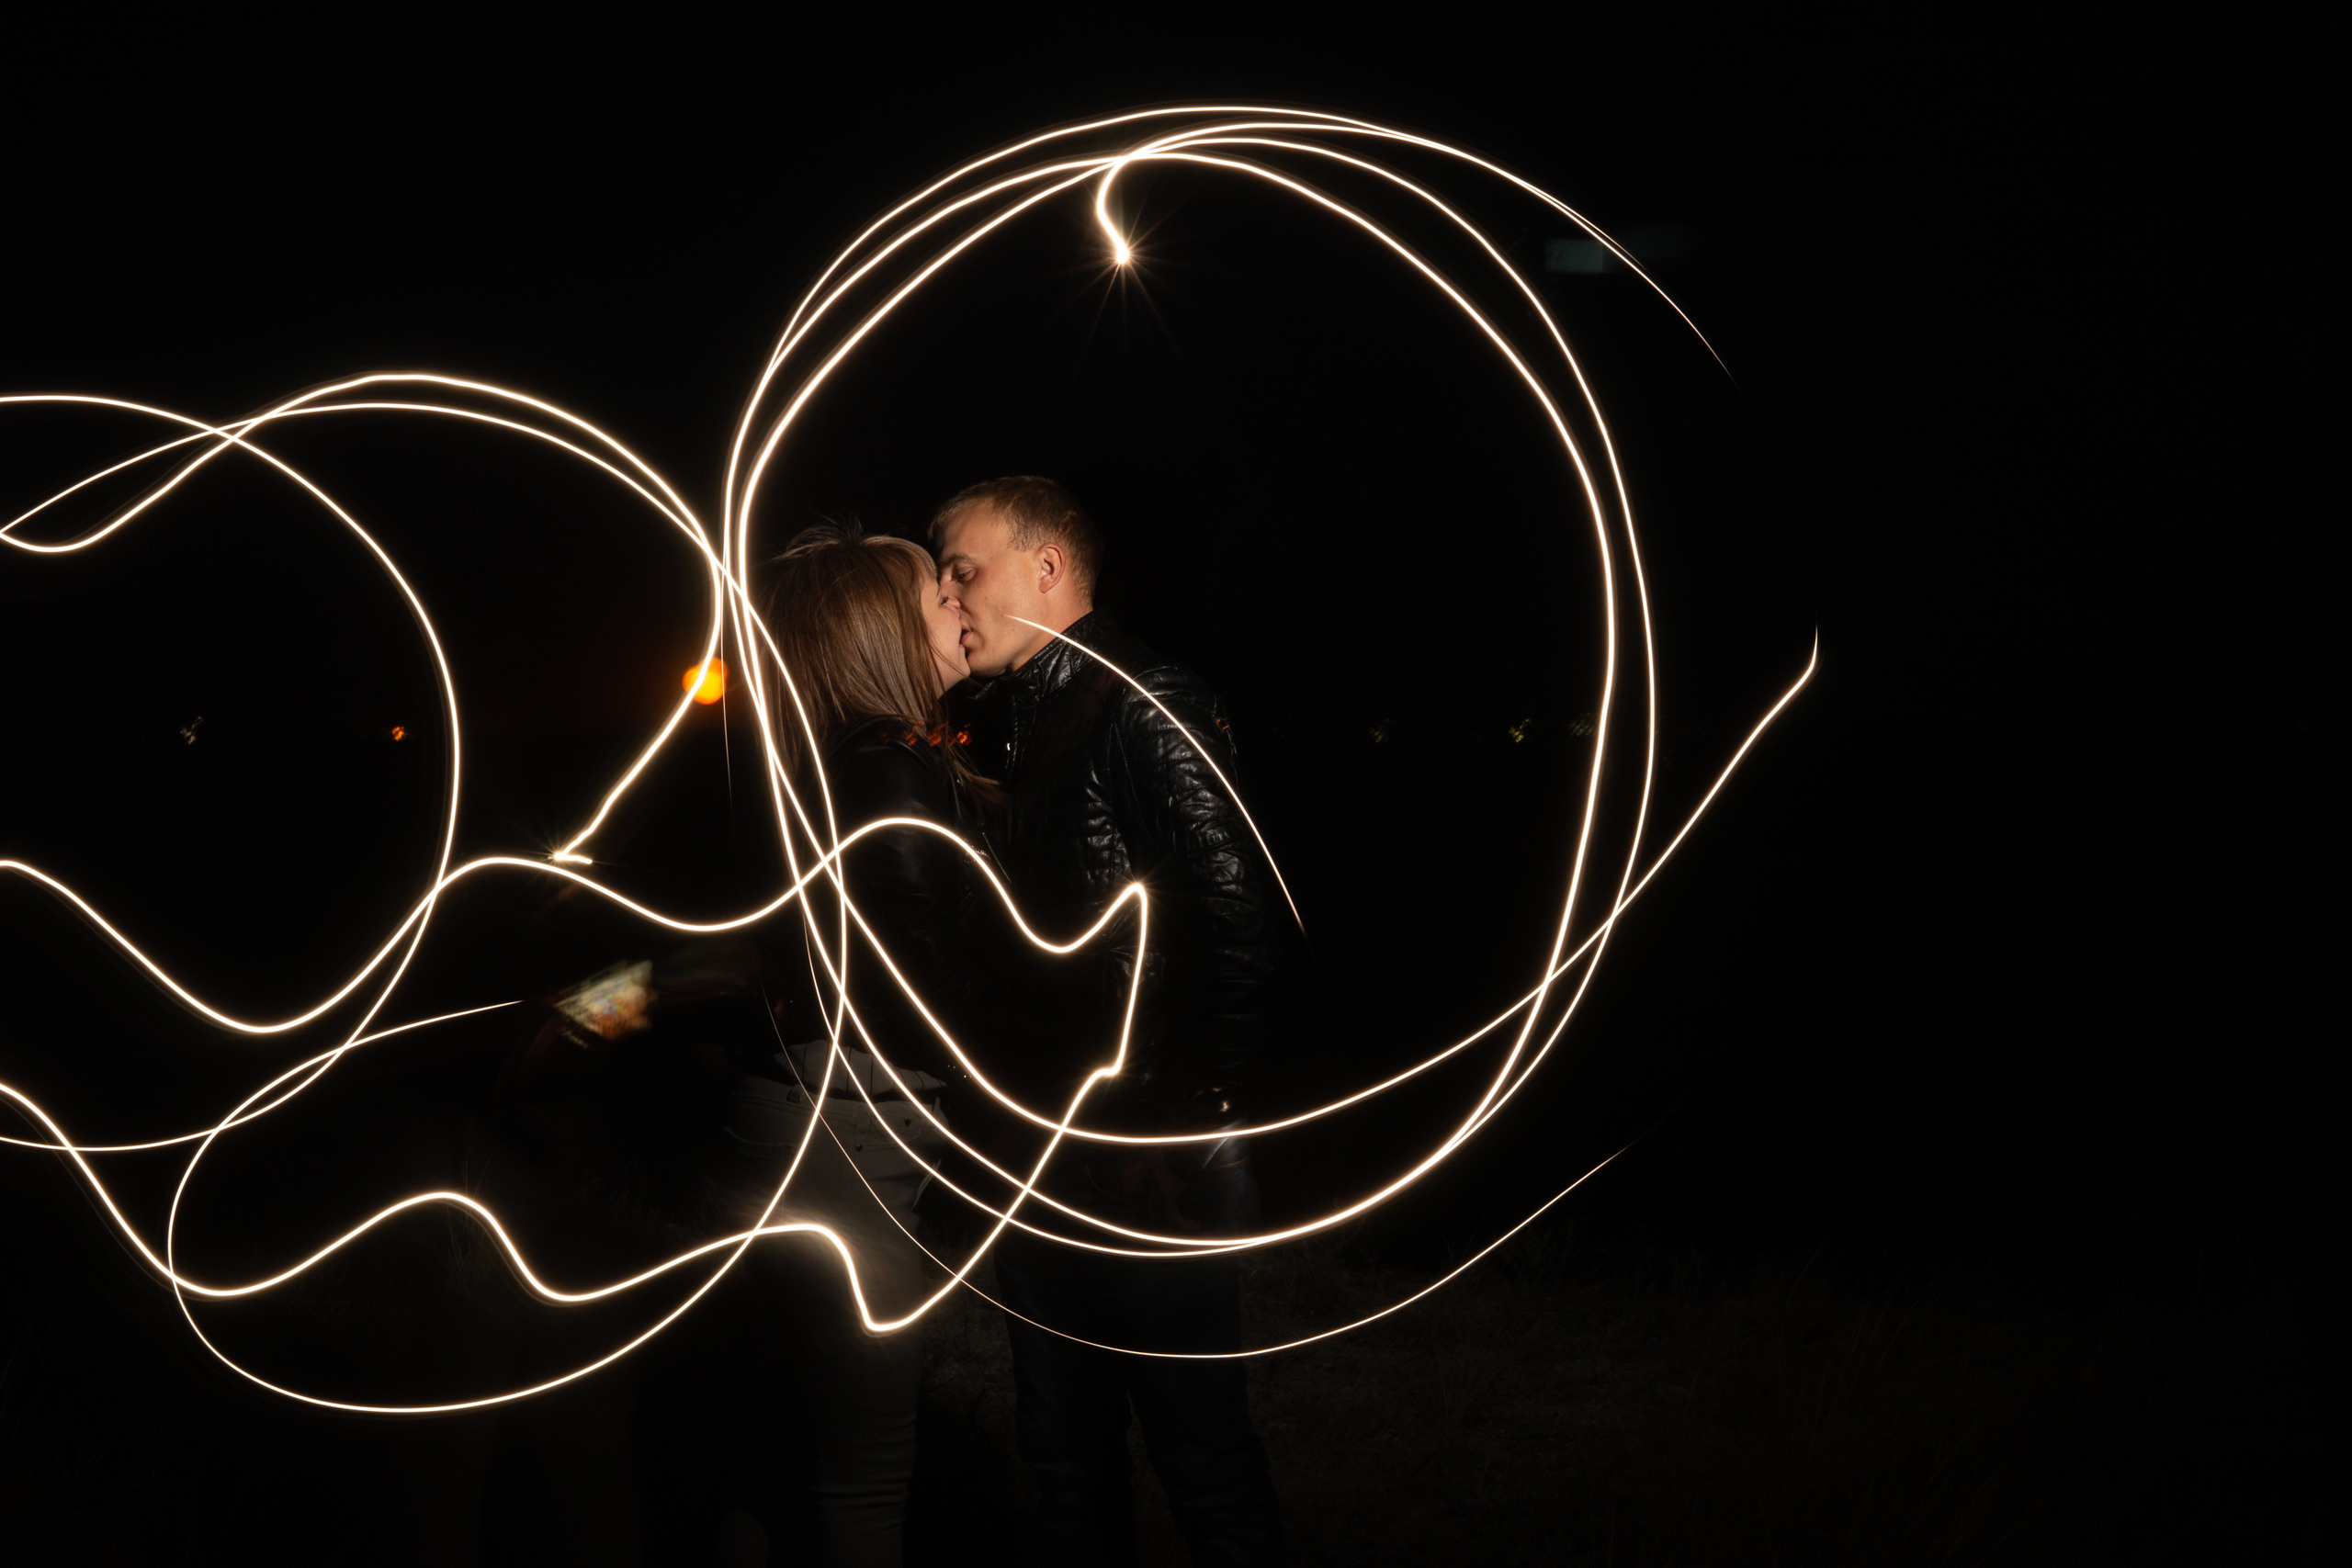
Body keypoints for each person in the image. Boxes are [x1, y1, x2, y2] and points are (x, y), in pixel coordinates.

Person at [934, 476, 1286, 1566]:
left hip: (1142, 1152)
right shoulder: (1014, 725)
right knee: (1066, 1448)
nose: (947, 597)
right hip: (1053, 1145)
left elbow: (1234, 914)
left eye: (964, 568)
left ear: (1046, 569)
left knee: (1194, 1449)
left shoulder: (1143, 698)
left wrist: (1183, 1119)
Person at [713, 520, 999, 1568]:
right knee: (862, 1474)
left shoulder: (804, 767)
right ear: (885, 631)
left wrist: (582, 1013)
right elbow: (941, 996)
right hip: (857, 1141)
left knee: (765, 1453)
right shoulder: (887, 776)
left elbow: (716, 956)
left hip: (779, 1117)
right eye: (937, 595)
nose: (959, 606)